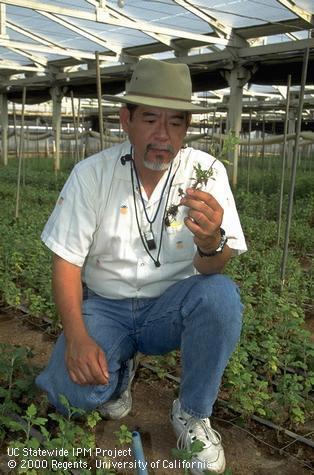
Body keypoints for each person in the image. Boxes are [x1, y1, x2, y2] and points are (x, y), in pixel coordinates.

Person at [36, 58, 247, 475]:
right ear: (126, 119)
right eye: (150, 119)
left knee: (220, 295)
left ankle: (193, 413)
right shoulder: (90, 175)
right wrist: (77, 337)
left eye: (175, 123)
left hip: (168, 308)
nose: (162, 136)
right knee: (71, 396)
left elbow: (215, 266)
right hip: (106, 306)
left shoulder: (206, 175)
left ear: (186, 129)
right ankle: (118, 374)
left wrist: (210, 241)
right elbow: (65, 262)